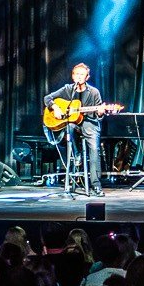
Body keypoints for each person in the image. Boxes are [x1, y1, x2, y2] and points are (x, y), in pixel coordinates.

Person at [44, 62, 110, 197]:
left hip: (89, 122)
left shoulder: (93, 92)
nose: (79, 77)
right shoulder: (68, 89)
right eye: (77, 74)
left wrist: (101, 112)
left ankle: (96, 185)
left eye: (82, 75)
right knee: (69, 127)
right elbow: (47, 98)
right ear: (73, 76)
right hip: (73, 122)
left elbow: (98, 116)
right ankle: (76, 154)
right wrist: (55, 108)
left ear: (87, 77)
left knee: (94, 148)